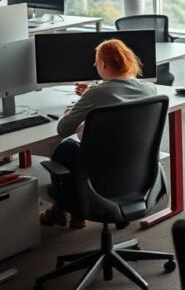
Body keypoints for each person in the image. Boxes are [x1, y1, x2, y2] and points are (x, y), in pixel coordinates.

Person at [39, 39, 157, 229]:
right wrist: (91, 95)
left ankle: (62, 209)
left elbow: (63, 129)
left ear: (102, 64)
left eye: (96, 62)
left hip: (100, 175)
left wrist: (73, 110)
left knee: (64, 149)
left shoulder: (97, 92)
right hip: (134, 171)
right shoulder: (149, 89)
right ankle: (67, 213)